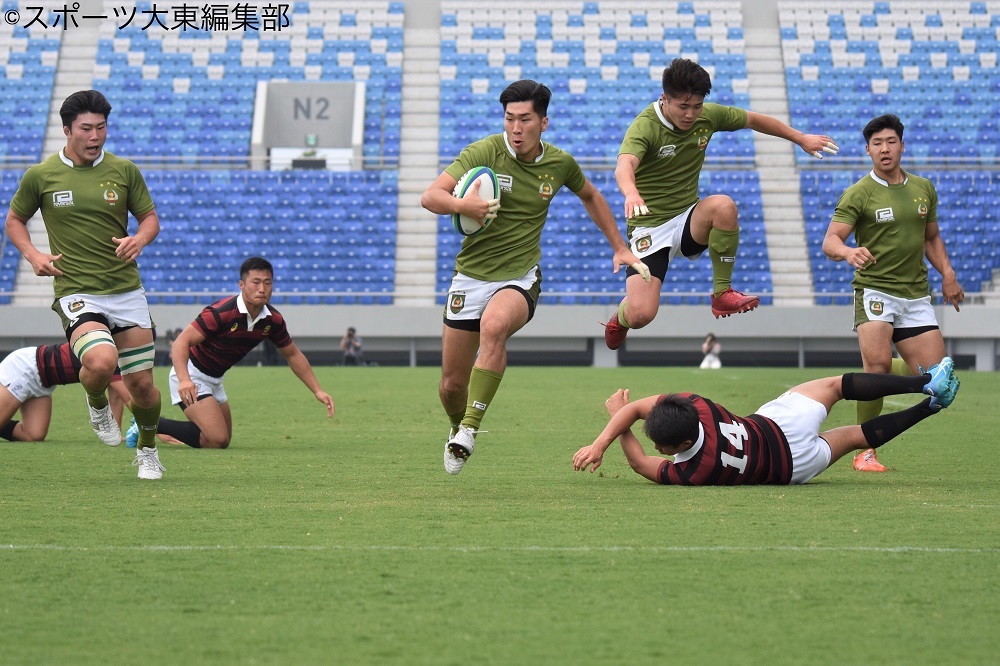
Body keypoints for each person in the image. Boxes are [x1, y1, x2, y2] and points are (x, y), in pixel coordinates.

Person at [420, 79, 647, 475]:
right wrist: (464, 205)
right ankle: (457, 425)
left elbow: (591, 195)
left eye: (525, 119)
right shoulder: (484, 151)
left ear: (544, 122)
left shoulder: (559, 164)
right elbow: (430, 197)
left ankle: (470, 431)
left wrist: (619, 246)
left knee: (494, 326)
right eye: (509, 119)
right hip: (469, 278)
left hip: (519, 277)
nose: (516, 128)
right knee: (451, 387)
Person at [604, 58, 840, 349]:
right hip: (649, 227)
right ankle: (621, 317)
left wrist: (800, 138)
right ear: (664, 99)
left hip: (689, 217)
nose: (691, 114)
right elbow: (624, 165)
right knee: (642, 314)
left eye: (697, 106)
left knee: (724, 206)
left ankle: (721, 293)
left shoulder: (708, 116)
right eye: (683, 106)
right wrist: (631, 193)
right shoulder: (645, 127)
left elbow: (754, 119)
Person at [4, 89, 164, 479]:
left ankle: (148, 451)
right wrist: (35, 256)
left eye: (102, 128)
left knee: (142, 386)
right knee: (100, 360)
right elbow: (13, 221)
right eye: (87, 129)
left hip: (126, 291)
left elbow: (150, 220)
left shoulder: (124, 170)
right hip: (76, 290)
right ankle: (96, 404)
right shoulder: (40, 176)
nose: (96, 137)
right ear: (67, 130)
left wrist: (139, 239)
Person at [822, 113, 965, 473]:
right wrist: (848, 252)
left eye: (890, 141)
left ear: (901, 145)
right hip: (875, 290)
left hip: (916, 296)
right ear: (868, 150)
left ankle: (894, 362)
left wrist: (947, 274)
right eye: (877, 144)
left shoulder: (923, 188)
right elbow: (830, 241)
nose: (884, 149)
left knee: (938, 383)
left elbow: (931, 237)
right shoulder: (859, 192)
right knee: (876, 367)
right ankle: (864, 450)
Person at [572, 358, 959, 485]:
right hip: (776, 424)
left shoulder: (693, 471)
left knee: (857, 436)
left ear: (677, 448)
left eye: (661, 445)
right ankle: (925, 383)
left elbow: (641, 463)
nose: (657, 448)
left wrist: (614, 426)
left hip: (790, 467)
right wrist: (607, 433)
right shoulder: (698, 406)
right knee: (836, 385)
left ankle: (931, 406)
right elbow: (639, 406)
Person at [126, 256, 334, 449]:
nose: (262, 288)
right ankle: (149, 422)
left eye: (267, 283)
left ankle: (153, 425)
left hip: (215, 380)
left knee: (221, 441)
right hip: (193, 375)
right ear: (241, 285)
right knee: (217, 438)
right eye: (256, 282)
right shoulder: (222, 312)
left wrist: (317, 390)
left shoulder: (273, 320)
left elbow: (293, 355)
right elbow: (182, 341)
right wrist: (184, 380)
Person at [0, 342, 131, 442]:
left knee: (33, 435)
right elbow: (129, 399)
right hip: (25, 368)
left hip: (43, 384)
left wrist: (115, 435)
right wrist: (150, 426)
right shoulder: (105, 352)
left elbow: (116, 397)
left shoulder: (117, 358)